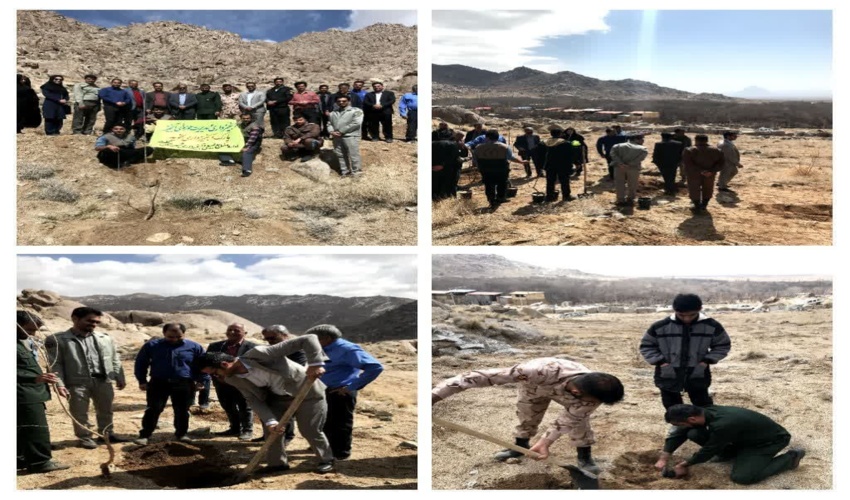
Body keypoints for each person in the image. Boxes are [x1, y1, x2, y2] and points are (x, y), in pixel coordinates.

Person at [432, 358, 624, 473]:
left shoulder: (592, 397)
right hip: (535, 387)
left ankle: (584, 456)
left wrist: (545, 443)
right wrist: (436, 395)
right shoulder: (537, 370)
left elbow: (568, 419)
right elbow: (479, 377)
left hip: (569, 396)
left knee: (579, 423)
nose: (594, 404)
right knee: (527, 416)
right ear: (577, 392)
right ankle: (520, 446)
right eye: (593, 401)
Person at [196, 334, 336, 474]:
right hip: (278, 398)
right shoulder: (232, 379)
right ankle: (277, 464)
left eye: (214, 373)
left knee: (309, 429)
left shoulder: (260, 353)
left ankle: (326, 459)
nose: (216, 377)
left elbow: (308, 339)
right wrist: (270, 421)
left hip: (307, 393)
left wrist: (315, 363)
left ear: (224, 364)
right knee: (271, 431)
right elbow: (253, 399)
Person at [658, 404, 805, 485]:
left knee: (742, 478)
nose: (680, 427)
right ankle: (729, 453)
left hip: (767, 442)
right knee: (693, 433)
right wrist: (664, 457)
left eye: (680, 424)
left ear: (691, 419)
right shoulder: (703, 412)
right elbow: (680, 432)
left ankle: (790, 458)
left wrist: (684, 465)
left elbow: (709, 449)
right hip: (743, 437)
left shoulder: (723, 424)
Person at [45, 307, 128, 449]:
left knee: (106, 409)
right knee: (79, 412)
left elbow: (114, 358)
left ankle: (107, 433)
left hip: (103, 381)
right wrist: (59, 384)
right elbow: (54, 364)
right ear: (75, 319)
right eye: (90, 321)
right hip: (76, 382)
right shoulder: (58, 340)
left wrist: (119, 376)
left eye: (96, 322)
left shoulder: (105, 338)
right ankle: (85, 437)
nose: (94, 325)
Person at [639, 293, 731, 410]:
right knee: (672, 407)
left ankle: (705, 427)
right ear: (674, 310)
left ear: (700, 309)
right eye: (682, 315)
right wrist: (661, 362)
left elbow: (722, 345)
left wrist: (706, 361)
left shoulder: (712, 326)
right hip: (667, 373)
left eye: (692, 315)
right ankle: (678, 427)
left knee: (704, 406)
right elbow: (647, 346)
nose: (687, 319)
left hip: (698, 372)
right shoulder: (660, 326)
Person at [308, 325, 383, 461]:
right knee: (325, 420)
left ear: (326, 338)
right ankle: (326, 445)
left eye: (314, 339)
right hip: (323, 389)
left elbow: (375, 367)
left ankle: (340, 453)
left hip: (340, 391)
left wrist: (351, 386)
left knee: (340, 423)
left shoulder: (347, 349)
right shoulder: (322, 348)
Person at [133, 323, 209, 445]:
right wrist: (142, 380)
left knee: (182, 410)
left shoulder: (194, 347)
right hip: (158, 383)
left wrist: (201, 380)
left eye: (178, 337)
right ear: (164, 334)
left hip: (184, 383)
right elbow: (141, 363)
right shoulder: (152, 346)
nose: (174, 339)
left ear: (184, 334)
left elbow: (203, 364)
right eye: (170, 337)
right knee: (154, 409)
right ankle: (145, 435)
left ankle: (181, 434)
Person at [17, 311, 70, 474]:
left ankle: (21, 459)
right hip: (24, 394)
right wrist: (34, 378)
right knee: (36, 428)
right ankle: (40, 462)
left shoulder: (22, 341)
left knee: (22, 429)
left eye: (35, 330)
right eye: (29, 329)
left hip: (31, 392)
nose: (32, 334)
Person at [206, 324, 259, 440]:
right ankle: (234, 429)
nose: (232, 332)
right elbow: (208, 363)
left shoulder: (253, 347)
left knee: (245, 406)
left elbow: (255, 366)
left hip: (243, 383)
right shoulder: (215, 346)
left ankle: (247, 430)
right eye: (229, 330)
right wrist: (217, 376)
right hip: (221, 383)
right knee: (227, 406)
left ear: (245, 333)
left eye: (237, 330)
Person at [258, 325, 306, 443]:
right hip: (270, 387)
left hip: (288, 387)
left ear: (285, 335)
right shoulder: (270, 350)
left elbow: (297, 369)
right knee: (268, 413)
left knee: (286, 415)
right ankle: (268, 435)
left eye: (273, 338)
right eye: (267, 339)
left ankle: (287, 436)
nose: (270, 341)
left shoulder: (296, 350)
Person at [474, 129, 525, 209]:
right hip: (501, 169)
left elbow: (475, 160)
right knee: (502, 184)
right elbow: (510, 158)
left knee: (489, 185)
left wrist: (479, 168)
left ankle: (491, 200)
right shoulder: (505, 147)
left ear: (486, 137)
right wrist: (521, 162)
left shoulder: (478, 147)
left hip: (486, 170)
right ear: (498, 137)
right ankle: (500, 198)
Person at [682, 134, 725, 212]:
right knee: (708, 189)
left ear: (696, 140)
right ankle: (704, 205)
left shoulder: (689, 150)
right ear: (706, 140)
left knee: (694, 189)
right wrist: (711, 171)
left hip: (694, 174)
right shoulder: (717, 150)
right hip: (710, 174)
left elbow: (688, 164)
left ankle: (697, 206)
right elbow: (721, 164)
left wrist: (701, 171)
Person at [327, 94, 364, 176]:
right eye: (339, 101)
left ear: (348, 101)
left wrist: (341, 131)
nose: (341, 103)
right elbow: (329, 124)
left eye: (344, 101)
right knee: (340, 155)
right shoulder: (333, 113)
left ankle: (357, 172)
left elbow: (356, 123)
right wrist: (332, 132)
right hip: (336, 137)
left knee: (353, 154)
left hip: (350, 136)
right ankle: (345, 172)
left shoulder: (356, 111)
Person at [609, 132, 649, 206]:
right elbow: (640, 159)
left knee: (619, 184)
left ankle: (620, 200)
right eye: (642, 139)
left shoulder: (617, 146)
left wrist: (621, 163)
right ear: (636, 139)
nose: (643, 141)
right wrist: (629, 164)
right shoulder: (643, 149)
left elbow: (613, 155)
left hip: (619, 167)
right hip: (633, 168)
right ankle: (631, 199)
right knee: (632, 184)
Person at [219, 113, 264, 177]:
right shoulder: (241, 124)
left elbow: (252, 139)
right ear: (241, 118)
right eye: (244, 118)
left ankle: (247, 170)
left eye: (247, 118)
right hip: (241, 142)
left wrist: (246, 147)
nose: (246, 119)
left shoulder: (255, 126)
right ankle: (229, 160)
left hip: (253, 143)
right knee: (223, 146)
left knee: (247, 152)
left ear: (251, 118)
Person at [538, 127, 574, 202]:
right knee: (564, 181)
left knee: (550, 181)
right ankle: (566, 196)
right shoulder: (565, 143)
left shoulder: (543, 143)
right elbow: (570, 156)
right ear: (560, 134)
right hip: (562, 165)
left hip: (549, 165)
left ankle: (550, 196)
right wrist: (571, 165)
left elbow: (539, 155)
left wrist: (541, 165)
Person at [432, 131, 468, 200]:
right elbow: (457, 157)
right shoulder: (455, 145)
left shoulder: (434, 143)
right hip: (451, 168)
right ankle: (449, 198)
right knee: (450, 185)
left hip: (434, 167)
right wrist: (442, 165)